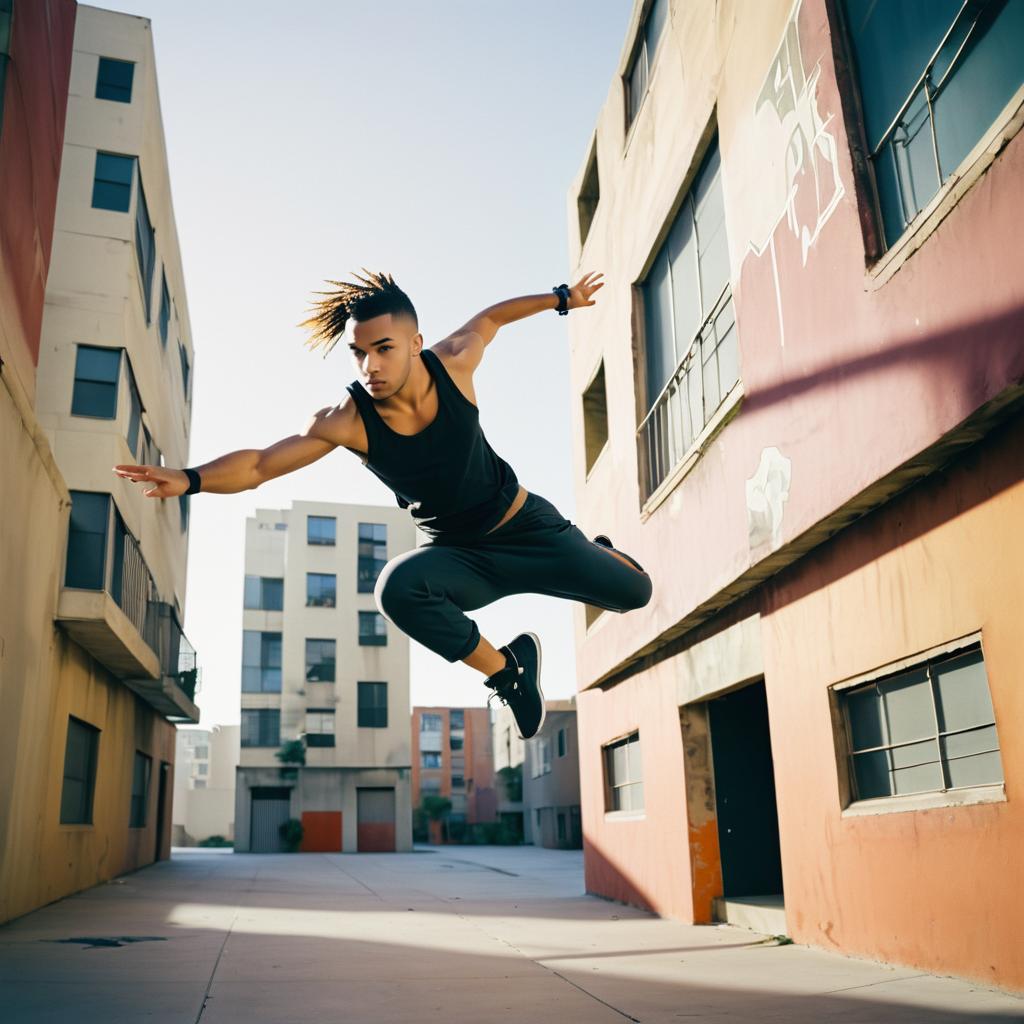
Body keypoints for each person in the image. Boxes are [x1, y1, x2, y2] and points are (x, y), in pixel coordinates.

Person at [113, 269, 652, 738]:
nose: (370, 365)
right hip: (461, 558)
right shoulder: (346, 420)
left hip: (527, 529)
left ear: (415, 343)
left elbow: (491, 318)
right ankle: (508, 670)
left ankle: (597, 551)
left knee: (636, 592)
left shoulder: (454, 362)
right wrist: (190, 478)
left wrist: (561, 298)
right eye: (360, 352)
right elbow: (259, 464)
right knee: (396, 588)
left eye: (383, 348)